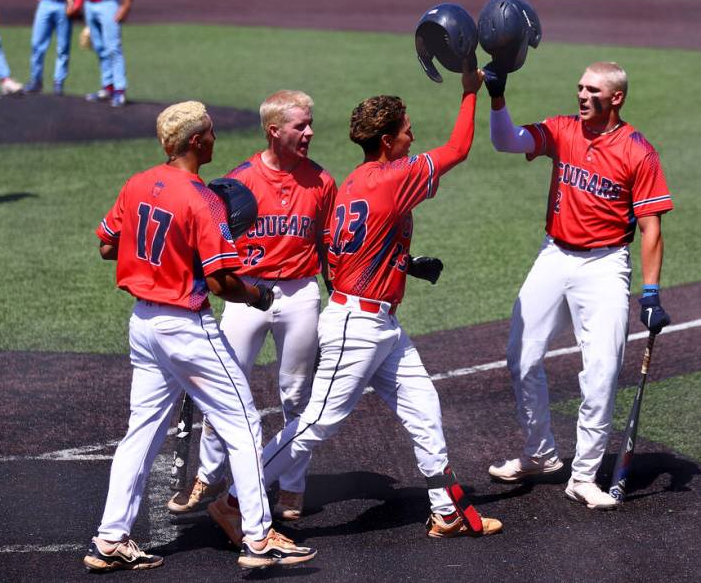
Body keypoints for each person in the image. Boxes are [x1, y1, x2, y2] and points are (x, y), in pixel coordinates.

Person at [207, 67, 504, 544]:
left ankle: (445, 510)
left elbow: (345, 251)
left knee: (423, 406)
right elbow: (460, 149)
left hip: (380, 323)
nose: (413, 133)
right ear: (387, 140)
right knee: (316, 424)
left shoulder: (356, 182)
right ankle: (235, 501)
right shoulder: (394, 177)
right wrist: (470, 92)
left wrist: (402, 263)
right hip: (357, 324)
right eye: (407, 128)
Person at [85, 100, 317, 572]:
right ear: (196, 141)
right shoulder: (202, 198)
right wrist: (256, 296)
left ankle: (110, 539)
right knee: (245, 424)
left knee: (141, 434)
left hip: (143, 327)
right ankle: (258, 536)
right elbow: (220, 283)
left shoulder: (137, 183)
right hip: (186, 328)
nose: (215, 138)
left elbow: (109, 244)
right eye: (210, 133)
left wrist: (164, 258)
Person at [483, 60, 673, 509]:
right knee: (521, 357)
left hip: (605, 266)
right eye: (580, 88)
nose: (582, 96)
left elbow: (651, 229)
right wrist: (497, 97)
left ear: (616, 98)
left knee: (601, 373)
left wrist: (651, 292)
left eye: (592, 90)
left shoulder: (637, 151)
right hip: (554, 255)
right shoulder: (562, 129)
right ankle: (540, 454)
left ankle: (583, 476)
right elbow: (506, 141)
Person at [167, 90, 337, 521]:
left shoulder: (322, 182)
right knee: (221, 386)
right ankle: (209, 474)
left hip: (300, 293)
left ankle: (293, 487)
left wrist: (334, 297)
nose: (310, 132)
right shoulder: (237, 181)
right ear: (274, 130)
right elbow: (213, 242)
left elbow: (328, 243)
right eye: (301, 125)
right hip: (246, 292)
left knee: (297, 394)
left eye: (310, 123)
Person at [80, 0, 135, 108]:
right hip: (90, 3)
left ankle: (120, 90)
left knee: (113, 47)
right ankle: (108, 87)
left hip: (108, 3)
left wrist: (126, 5)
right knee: (99, 47)